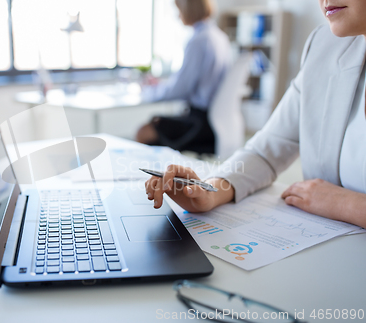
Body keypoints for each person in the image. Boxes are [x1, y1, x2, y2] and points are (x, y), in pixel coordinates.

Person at [145, 0, 366, 229]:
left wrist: (349, 205)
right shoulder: (325, 45)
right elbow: (266, 150)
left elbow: (180, 87)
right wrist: (210, 191)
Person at [136, 0, 231, 155]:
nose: (177, 14)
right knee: (159, 122)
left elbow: (180, 89)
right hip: (217, 121)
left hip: (200, 123)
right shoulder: (220, 37)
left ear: (189, 9)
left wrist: (149, 92)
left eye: (178, 9)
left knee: (143, 132)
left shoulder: (199, 40)